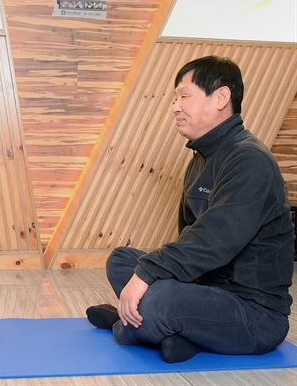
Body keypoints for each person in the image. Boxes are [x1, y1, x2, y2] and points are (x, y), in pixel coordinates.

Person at [85, 56, 294, 363]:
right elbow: (188, 235)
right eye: (173, 99)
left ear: (221, 97)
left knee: (162, 299)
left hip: (253, 313)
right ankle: (179, 335)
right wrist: (147, 273)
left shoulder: (250, 160)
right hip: (206, 290)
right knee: (121, 260)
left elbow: (213, 241)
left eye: (184, 96)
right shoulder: (200, 158)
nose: (175, 107)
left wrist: (148, 276)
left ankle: (125, 325)